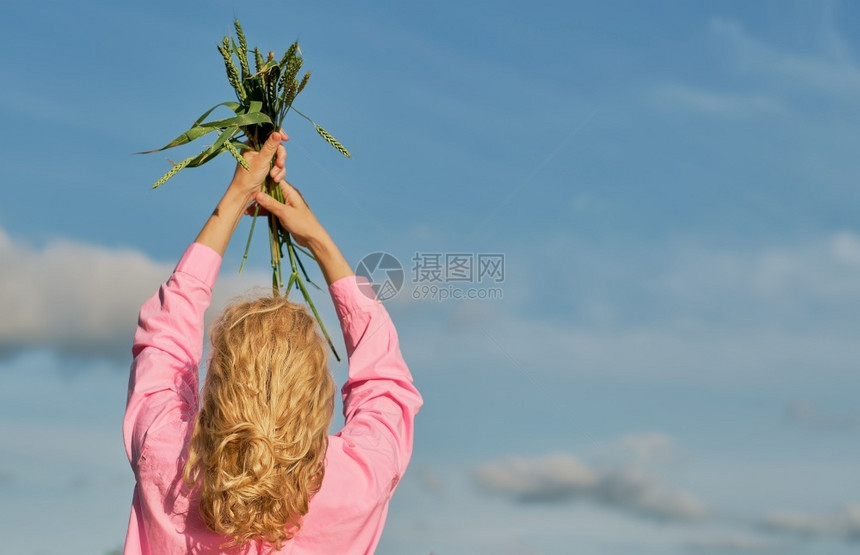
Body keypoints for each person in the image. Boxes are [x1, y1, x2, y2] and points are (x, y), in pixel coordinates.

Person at [122, 131, 423, 554]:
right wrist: (319, 240)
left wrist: (234, 198)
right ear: (316, 392)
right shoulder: (358, 480)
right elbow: (384, 383)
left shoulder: (167, 458)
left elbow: (165, 342)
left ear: (219, 381)